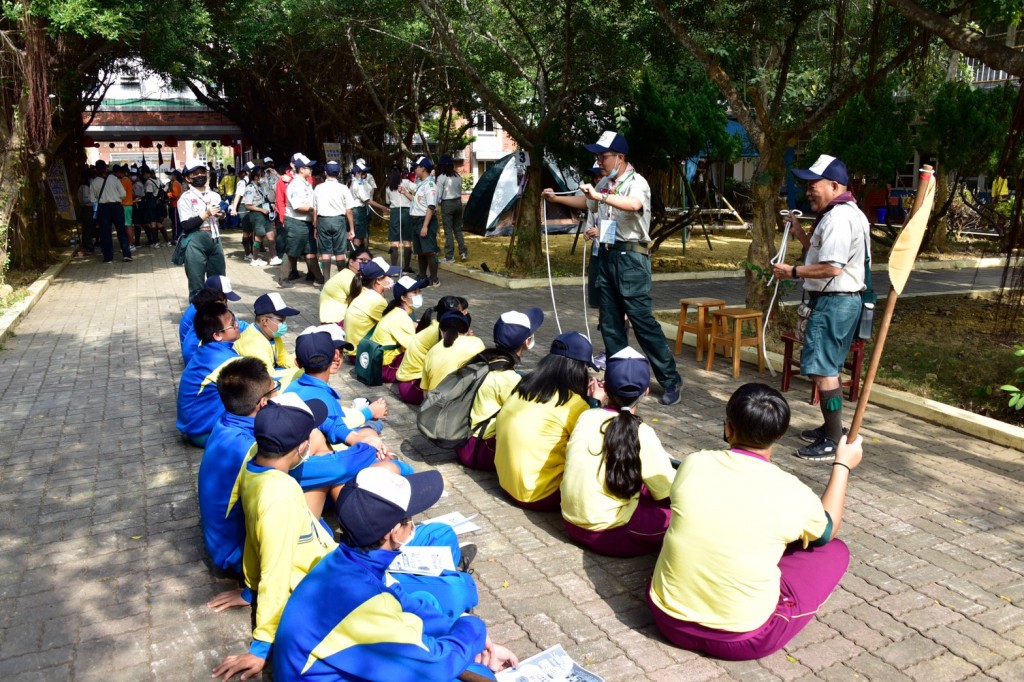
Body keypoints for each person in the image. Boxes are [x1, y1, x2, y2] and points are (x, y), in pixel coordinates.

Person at [648, 383, 862, 661]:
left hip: (668, 620)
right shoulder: (791, 491)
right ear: (780, 434)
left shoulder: (695, 463)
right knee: (834, 551)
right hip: (742, 638)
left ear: (728, 426)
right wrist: (842, 465)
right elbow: (827, 530)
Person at [272, 467, 518, 680]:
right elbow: (435, 666)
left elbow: (411, 605)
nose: (413, 524)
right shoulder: (365, 601)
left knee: (458, 651)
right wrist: (473, 627)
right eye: (409, 519)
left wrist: (473, 641)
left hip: (339, 664)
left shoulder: (350, 561)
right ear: (393, 532)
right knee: (479, 675)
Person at [211, 393, 338, 682]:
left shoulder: (253, 465)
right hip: (320, 581)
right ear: (303, 446)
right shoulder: (279, 494)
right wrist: (262, 646)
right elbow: (275, 572)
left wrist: (248, 589)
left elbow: (256, 541)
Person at [570, 131, 683, 406]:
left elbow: (634, 205)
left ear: (620, 157)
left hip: (631, 259)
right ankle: (619, 379)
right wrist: (555, 198)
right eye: (598, 155)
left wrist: (600, 195)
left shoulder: (637, 182)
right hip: (607, 257)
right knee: (610, 325)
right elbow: (588, 203)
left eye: (604, 156)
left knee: (643, 323)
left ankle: (670, 379)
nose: (600, 160)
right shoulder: (608, 182)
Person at [770, 154, 870, 461]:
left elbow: (831, 267)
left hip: (834, 302)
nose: (809, 190)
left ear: (835, 185)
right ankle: (832, 429)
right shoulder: (840, 213)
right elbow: (820, 252)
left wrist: (793, 272)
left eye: (815, 184)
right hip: (839, 303)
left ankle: (831, 439)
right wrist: (799, 231)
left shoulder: (840, 218)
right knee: (829, 370)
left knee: (823, 371)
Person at [560, 347, 674, 556]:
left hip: (571, 524)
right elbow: (668, 491)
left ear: (606, 388)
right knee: (680, 515)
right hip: (611, 534)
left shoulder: (586, 416)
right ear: (646, 391)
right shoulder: (642, 432)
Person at [493, 332, 604, 511]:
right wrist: (595, 403)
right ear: (576, 369)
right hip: (541, 496)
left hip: (506, 484)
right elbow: (594, 443)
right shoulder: (574, 404)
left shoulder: (524, 386)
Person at [286, 325, 395, 458]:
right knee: (387, 456)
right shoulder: (319, 396)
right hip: (318, 453)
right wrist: (367, 413)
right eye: (333, 351)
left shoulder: (296, 384)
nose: (338, 359)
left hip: (309, 449)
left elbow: (330, 423)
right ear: (333, 355)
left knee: (371, 432)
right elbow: (332, 425)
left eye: (341, 352)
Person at [457, 307, 544, 470]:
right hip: (481, 451)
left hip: (463, 442)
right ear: (527, 342)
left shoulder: (483, 361)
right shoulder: (509, 378)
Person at [176, 302, 241, 446]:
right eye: (232, 323)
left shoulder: (207, 348)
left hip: (193, 426)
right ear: (217, 335)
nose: (237, 324)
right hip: (204, 432)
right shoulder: (223, 360)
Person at [394, 296, 467, 405]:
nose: (463, 314)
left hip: (409, 381)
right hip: (412, 386)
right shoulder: (439, 332)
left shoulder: (437, 325)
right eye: (460, 312)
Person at [177, 162, 227, 298]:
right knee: (196, 286)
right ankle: (197, 318)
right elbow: (186, 225)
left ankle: (217, 316)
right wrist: (207, 213)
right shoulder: (185, 198)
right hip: (196, 239)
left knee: (218, 283)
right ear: (188, 178)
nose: (200, 175)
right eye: (195, 173)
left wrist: (221, 215)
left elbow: (222, 218)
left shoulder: (214, 195)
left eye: (202, 172)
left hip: (215, 239)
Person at [234, 293, 303, 388]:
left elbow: (283, 358)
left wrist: (301, 362)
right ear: (265, 321)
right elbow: (271, 376)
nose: (284, 324)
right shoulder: (253, 343)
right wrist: (305, 369)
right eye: (281, 320)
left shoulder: (272, 334)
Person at [372, 275, 431, 383]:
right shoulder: (401, 317)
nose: (418, 295)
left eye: (419, 291)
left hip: (381, 360)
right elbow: (414, 348)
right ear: (403, 298)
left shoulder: (397, 312)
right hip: (385, 366)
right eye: (414, 292)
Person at [343, 256, 401, 362]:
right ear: (378, 280)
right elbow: (395, 326)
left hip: (355, 351)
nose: (392, 279)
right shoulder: (376, 300)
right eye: (389, 276)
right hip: (361, 355)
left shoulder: (365, 292)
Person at [179, 275, 246, 365]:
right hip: (196, 358)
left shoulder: (203, 306)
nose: (226, 306)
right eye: (224, 302)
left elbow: (237, 323)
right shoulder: (206, 316)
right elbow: (235, 325)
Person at [281, 153, 322, 288]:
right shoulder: (296, 185)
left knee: (311, 251)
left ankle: (319, 278)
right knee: (292, 251)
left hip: (306, 222)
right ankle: (284, 278)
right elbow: (298, 207)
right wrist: (314, 209)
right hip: (296, 222)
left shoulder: (305, 183)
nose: (311, 170)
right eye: (309, 168)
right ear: (301, 169)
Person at [420, 310, 485, 392]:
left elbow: (425, 391)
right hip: (465, 401)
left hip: (435, 402)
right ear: (467, 331)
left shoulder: (432, 351)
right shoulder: (477, 342)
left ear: (440, 331)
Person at [314, 160, 357, 280]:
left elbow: (315, 210)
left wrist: (315, 226)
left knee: (325, 253)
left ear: (325, 172)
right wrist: (352, 229)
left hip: (323, 221)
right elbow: (349, 210)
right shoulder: (343, 188)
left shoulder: (318, 188)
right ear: (338, 173)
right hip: (339, 221)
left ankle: (326, 281)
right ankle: (343, 281)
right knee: (340, 252)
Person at [402, 156, 441, 286]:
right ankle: (422, 276)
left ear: (423, 168)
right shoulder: (421, 184)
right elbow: (416, 200)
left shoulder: (430, 185)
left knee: (430, 250)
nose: (414, 170)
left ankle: (434, 278)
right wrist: (404, 193)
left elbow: (431, 206)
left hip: (425, 220)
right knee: (420, 251)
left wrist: (425, 226)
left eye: (416, 167)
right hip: (416, 220)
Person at [89, 160, 132, 263]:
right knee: (121, 231)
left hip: (103, 208)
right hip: (116, 207)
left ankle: (108, 257)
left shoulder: (94, 182)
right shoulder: (114, 179)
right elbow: (123, 194)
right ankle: (126, 254)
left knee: (105, 233)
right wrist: (115, 197)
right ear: (106, 168)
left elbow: (92, 199)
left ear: (96, 169)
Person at [319, 247, 371, 324]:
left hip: (333, 320)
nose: (365, 263)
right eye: (362, 260)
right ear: (351, 262)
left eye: (369, 261)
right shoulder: (348, 278)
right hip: (335, 323)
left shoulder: (348, 273)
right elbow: (367, 302)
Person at [435, 155, 467, 263]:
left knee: (448, 231)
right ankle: (463, 252)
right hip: (458, 202)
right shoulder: (458, 176)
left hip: (447, 204)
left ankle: (449, 256)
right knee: (457, 229)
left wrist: (435, 206)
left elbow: (438, 195)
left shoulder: (441, 177)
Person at [385, 164, 415, 272]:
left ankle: (394, 268)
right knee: (407, 240)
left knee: (394, 241)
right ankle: (406, 267)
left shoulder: (388, 186)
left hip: (394, 212)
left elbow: (388, 202)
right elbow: (416, 188)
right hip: (407, 212)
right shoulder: (406, 182)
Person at [349, 163, 386, 249]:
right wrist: (382, 207)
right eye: (363, 173)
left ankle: (360, 257)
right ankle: (355, 258)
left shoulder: (361, 183)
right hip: (358, 211)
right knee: (358, 238)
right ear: (357, 173)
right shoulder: (357, 184)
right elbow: (367, 200)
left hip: (360, 211)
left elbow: (370, 190)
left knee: (362, 236)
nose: (365, 175)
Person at [76, 171, 96, 255]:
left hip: (88, 208)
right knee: (88, 228)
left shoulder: (86, 186)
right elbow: (85, 199)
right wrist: (94, 199)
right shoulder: (85, 187)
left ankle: (86, 244)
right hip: (87, 208)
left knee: (87, 228)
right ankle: (89, 245)